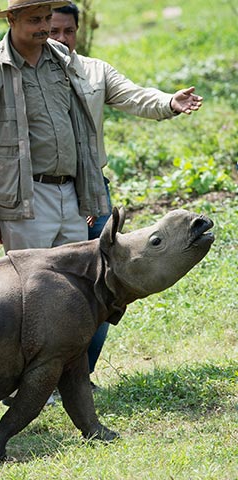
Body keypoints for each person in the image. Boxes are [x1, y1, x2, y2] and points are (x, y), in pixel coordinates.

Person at [50, 2, 203, 382]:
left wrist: (169, 102)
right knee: (51, 288)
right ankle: (41, 376)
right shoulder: (22, 77)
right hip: (44, 195)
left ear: (78, 33)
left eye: (68, 31)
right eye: (52, 31)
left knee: (107, 282)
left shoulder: (94, 72)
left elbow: (135, 95)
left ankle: (79, 375)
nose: (61, 39)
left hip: (92, 191)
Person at [0, 0, 109, 261]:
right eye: (34, 20)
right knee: (32, 285)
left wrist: (88, 191)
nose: (44, 27)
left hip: (70, 190)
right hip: (26, 196)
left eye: (46, 18)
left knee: (76, 279)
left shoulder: (61, 58)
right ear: (11, 19)